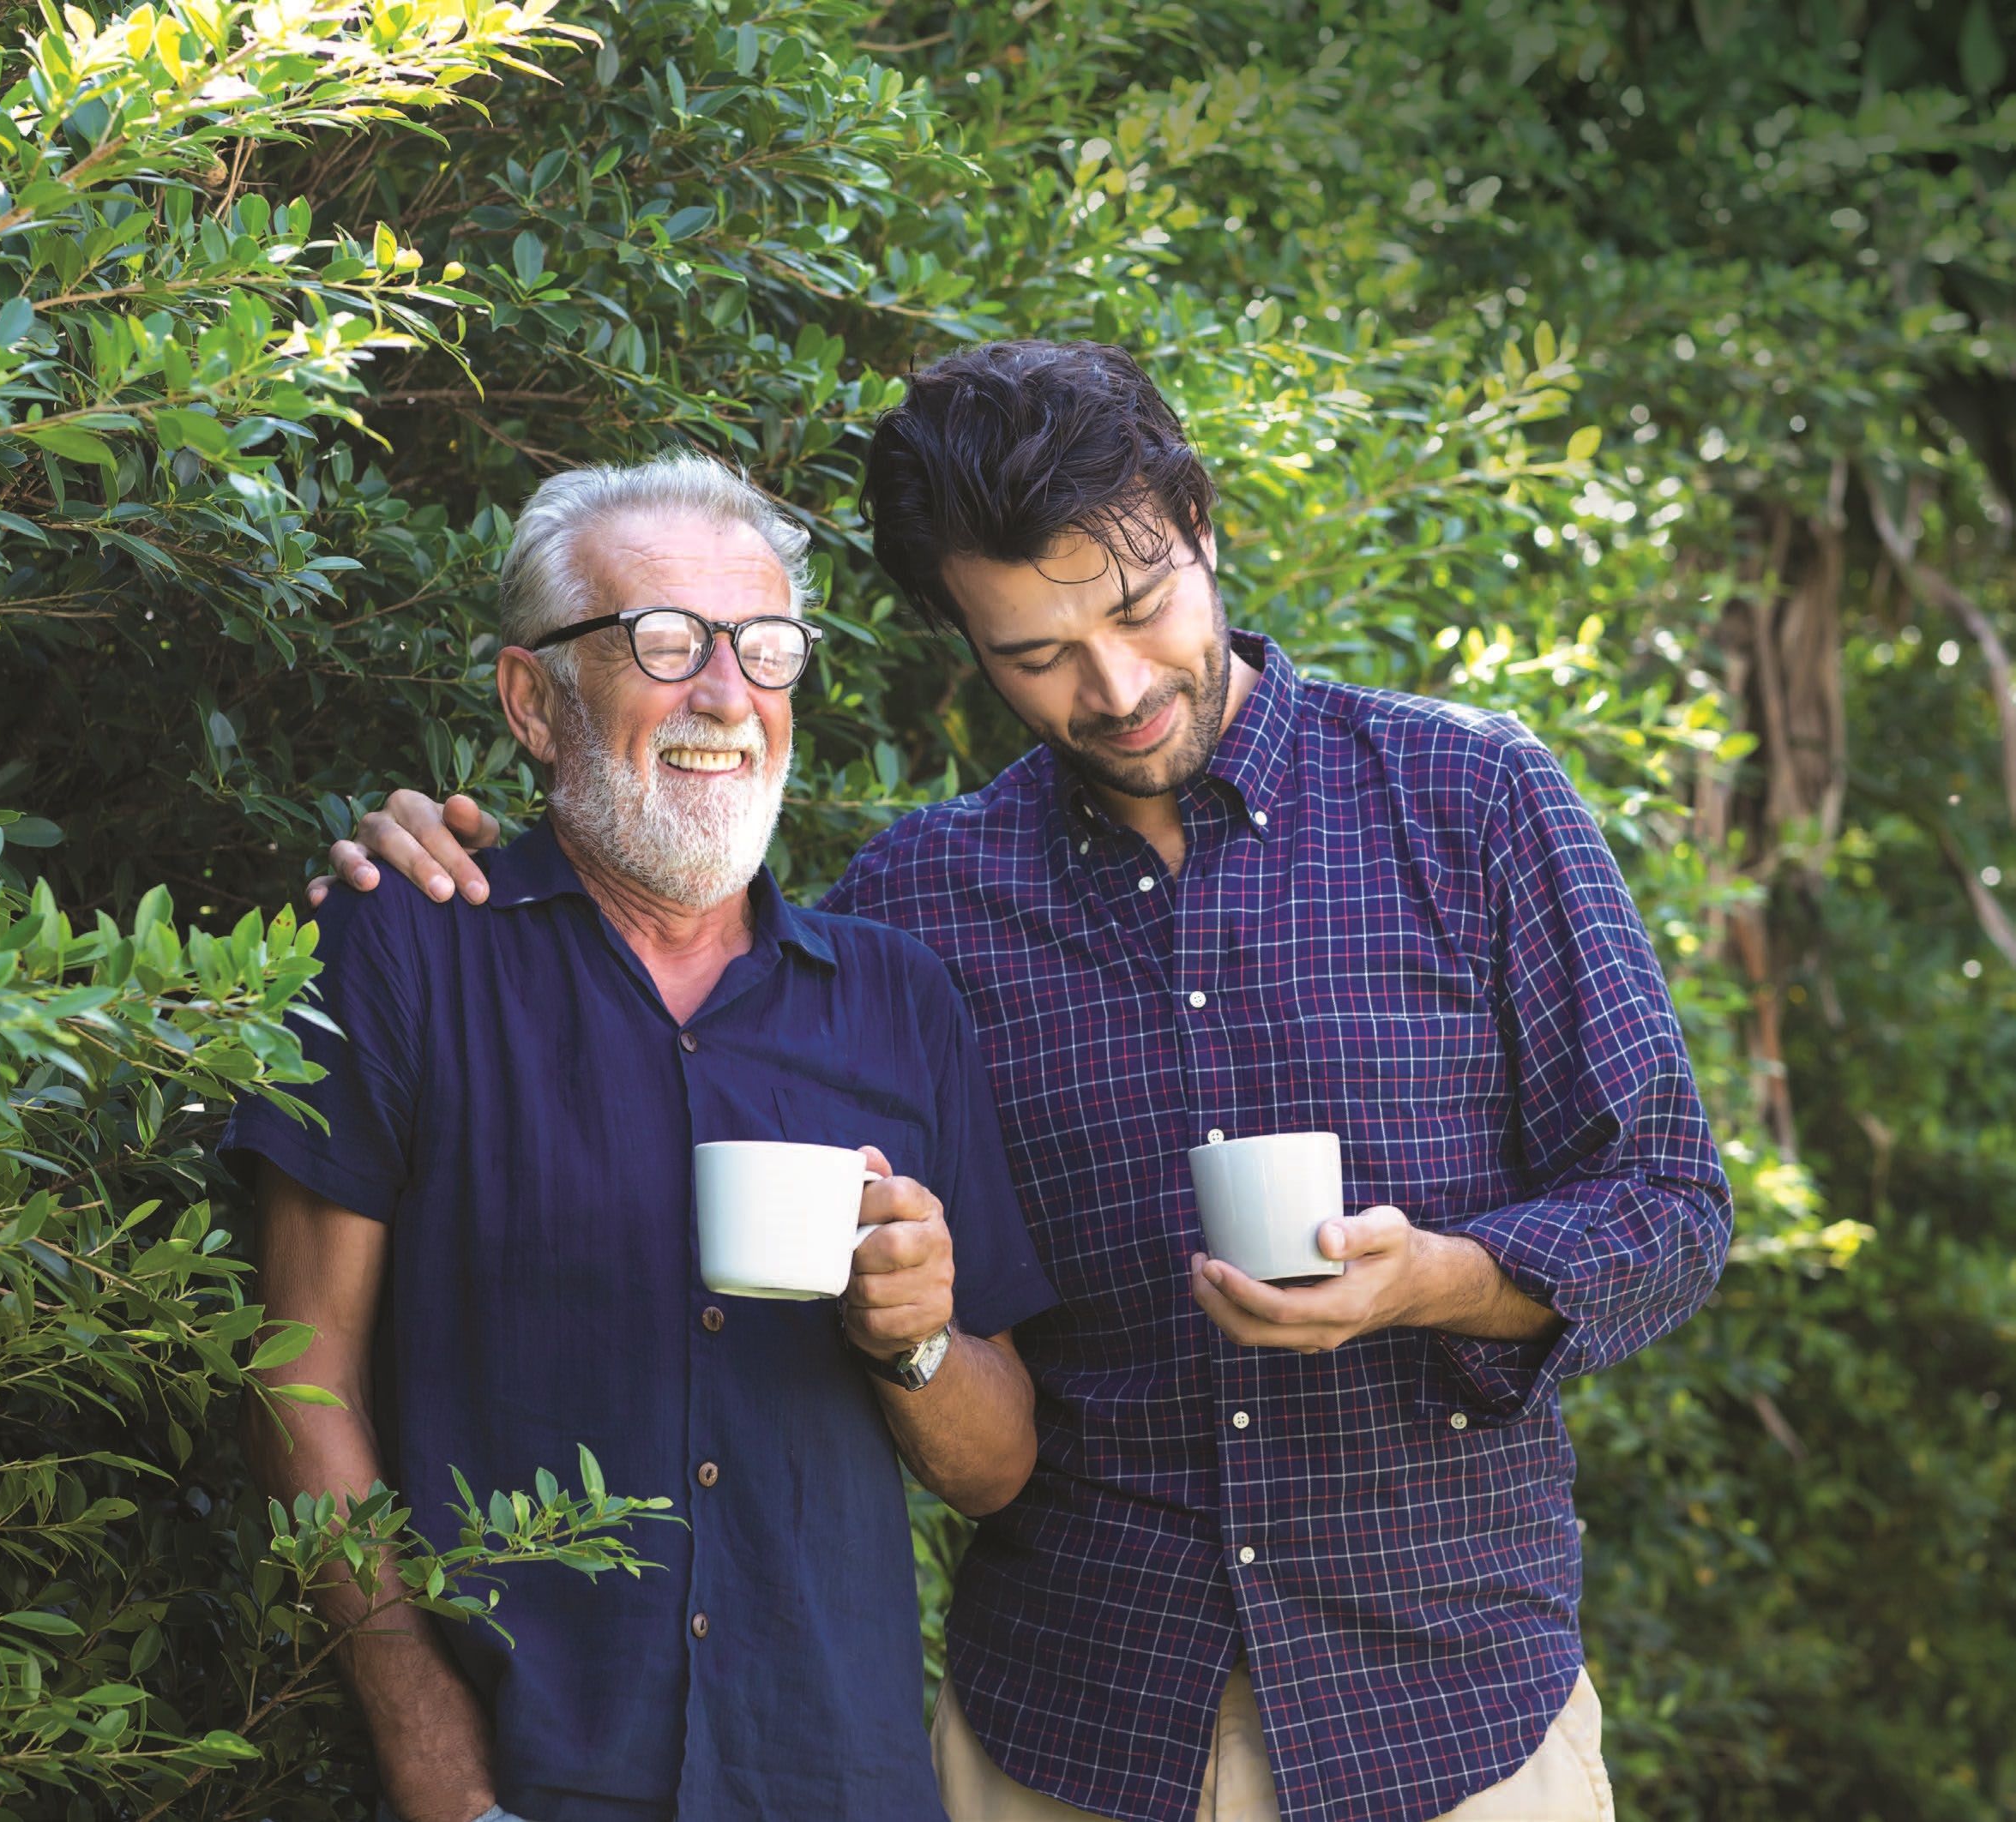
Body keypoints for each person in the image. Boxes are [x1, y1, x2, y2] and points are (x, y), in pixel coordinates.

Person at [317, 341, 1732, 1822]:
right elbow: (659, 898)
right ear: (960, 642)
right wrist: (420, 850)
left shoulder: (1470, 799)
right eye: (1034, 654)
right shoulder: (919, 904)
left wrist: (1434, 1276)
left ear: (1198, 521)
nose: (1114, 687)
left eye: (1137, 608)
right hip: (1065, 1731)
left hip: (1447, 1720)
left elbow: (1669, 1205)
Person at [228, 450, 1057, 1822]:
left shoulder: (898, 1000)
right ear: (534, 699)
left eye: (765, 649)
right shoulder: (401, 945)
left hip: (835, 1783)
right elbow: (295, 1374)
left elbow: (998, 1462)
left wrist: (913, 1338)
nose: (725, 694)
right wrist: (432, 1758)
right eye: (663, 643)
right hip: (524, 1782)